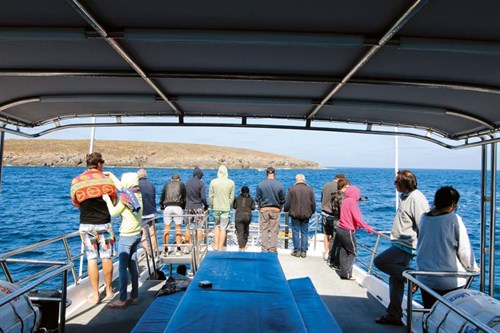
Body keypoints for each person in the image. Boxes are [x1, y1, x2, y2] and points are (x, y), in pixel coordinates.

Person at [374, 170, 429, 326]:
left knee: (380, 262)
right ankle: (394, 314)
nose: (394, 185)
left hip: (406, 245)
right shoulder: (406, 197)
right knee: (395, 280)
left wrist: (422, 247)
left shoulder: (416, 199)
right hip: (399, 243)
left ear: (404, 183)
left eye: (396, 182)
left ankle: (412, 278)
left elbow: (423, 225)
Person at [416, 186, 479, 309]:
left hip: (425, 277)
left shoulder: (424, 218)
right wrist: (472, 268)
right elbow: (464, 250)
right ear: (452, 205)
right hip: (449, 279)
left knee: (430, 312)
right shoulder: (454, 219)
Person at [70, 152, 117, 304]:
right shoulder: (107, 180)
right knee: (106, 257)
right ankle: (109, 291)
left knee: (91, 258)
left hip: (86, 224)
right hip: (104, 223)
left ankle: (95, 295)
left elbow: (75, 202)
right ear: (99, 164)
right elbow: (114, 202)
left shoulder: (76, 181)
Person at [102, 172, 143, 309]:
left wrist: (107, 199)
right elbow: (122, 187)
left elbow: (113, 212)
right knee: (132, 266)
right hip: (137, 235)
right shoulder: (136, 195)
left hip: (126, 236)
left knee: (122, 268)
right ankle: (135, 296)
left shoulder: (126, 199)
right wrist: (112, 176)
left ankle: (122, 299)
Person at [335, 185, 373, 280]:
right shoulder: (352, 202)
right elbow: (357, 217)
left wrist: (357, 224)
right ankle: (346, 274)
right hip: (348, 230)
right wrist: (367, 227)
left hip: (341, 228)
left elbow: (348, 215)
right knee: (353, 251)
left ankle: (343, 271)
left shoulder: (344, 201)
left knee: (343, 251)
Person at [284, 174, 316, 258]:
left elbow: (287, 203)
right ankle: (304, 251)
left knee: (295, 232)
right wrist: (312, 212)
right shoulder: (310, 189)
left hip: (295, 214)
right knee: (304, 232)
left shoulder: (292, 189)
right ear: (304, 180)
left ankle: (296, 251)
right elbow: (313, 203)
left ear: (296, 180)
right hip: (306, 214)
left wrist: (286, 210)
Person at [255, 167, 286, 253]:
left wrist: (260, 207)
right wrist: (280, 207)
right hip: (275, 209)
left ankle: (264, 249)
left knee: (264, 230)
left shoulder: (261, 184)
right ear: (274, 174)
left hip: (264, 209)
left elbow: (257, 198)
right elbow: (283, 199)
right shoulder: (279, 185)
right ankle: (272, 249)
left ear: (266, 174)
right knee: (274, 230)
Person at [208, 165, 235, 251]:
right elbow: (232, 197)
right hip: (226, 208)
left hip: (216, 207)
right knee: (223, 228)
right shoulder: (231, 182)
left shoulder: (213, 182)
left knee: (216, 226)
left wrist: (212, 205)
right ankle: (220, 247)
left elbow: (211, 196)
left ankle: (215, 245)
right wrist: (229, 205)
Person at [160, 173, 186, 256]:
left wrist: (161, 206)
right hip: (178, 207)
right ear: (179, 179)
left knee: (166, 228)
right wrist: (183, 207)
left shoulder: (166, 184)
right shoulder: (181, 184)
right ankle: (178, 249)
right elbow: (185, 197)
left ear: (171, 179)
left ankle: (166, 249)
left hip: (167, 207)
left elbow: (162, 196)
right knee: (178, 227)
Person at [321, 173, 346, 261]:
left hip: (324, 213)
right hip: (334, 215)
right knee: (333, 235)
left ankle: (326, 252)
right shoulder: (339, 188)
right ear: (340, 179)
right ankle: (331, 254)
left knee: (326, 234)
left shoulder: (325, 185)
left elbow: (322, 198)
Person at [185, 167, 209, 250]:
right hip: (198, 207)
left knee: (187, 227)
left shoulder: (187, 182)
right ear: (199, 175)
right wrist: (206, 205)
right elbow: (203, 197)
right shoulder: (201, 184)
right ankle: (198, 247)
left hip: (188, 207)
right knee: (199, 227)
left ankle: (187, 247)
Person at [328, 177, 350, 268]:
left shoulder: (334, 195)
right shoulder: (341, 196)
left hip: (335, 219)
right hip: (341, 220)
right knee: (340, 242)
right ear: (343, 187)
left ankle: (332, 259)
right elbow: (342, 208)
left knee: (335, 241)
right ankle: (337, 262)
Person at [137, 169, 157, 255]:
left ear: (138, 176)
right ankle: (153, 251)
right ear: (146, 175)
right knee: (152, 232)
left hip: (141, 213)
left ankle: (146, 252)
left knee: (143, 233)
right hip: (151, 211)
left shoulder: (136, 185)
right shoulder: (151, 184)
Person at [233, 186, 256, 251]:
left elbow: (234, 206)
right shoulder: (251, 199)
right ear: (248, 192)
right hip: (247, 216)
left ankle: (241, 247)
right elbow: (253, 208)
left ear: (241, 191)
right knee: (246, 231)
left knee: (240, 232)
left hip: (239, 215)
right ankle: (244, 244)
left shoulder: (237, 198)